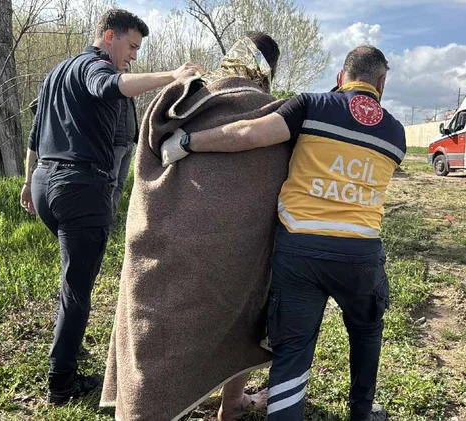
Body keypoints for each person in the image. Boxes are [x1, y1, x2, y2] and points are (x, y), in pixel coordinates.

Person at [162, 45, 404, 421]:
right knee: (367, 332)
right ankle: (361, 411)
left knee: (294, 351)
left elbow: (247, 134)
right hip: (361, 254)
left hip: (301, 251)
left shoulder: (312, 106)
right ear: (382, 83)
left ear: (341, 78)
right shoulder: (396, 134)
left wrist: (188, 142)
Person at [100, 33, 289, 421]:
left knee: (155, 325)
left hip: (156, 235)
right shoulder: (273, 114)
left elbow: (147, 165)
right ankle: (230, 402)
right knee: (242, 316)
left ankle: (144, 406)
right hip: (233, 255)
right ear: (269, 69)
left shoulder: (179, 100)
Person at [18, 8, 199, 406]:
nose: (133, 55)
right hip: (80, 186)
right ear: (108, 35)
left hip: (47, 183)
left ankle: (69, 344)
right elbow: (110, 87)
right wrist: (174, 76)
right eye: (131, 46)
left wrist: (29, 182)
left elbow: (34, 135)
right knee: (76, 290)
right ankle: (61, 383)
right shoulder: (94, 67)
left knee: (73, 277)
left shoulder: (56, 73)